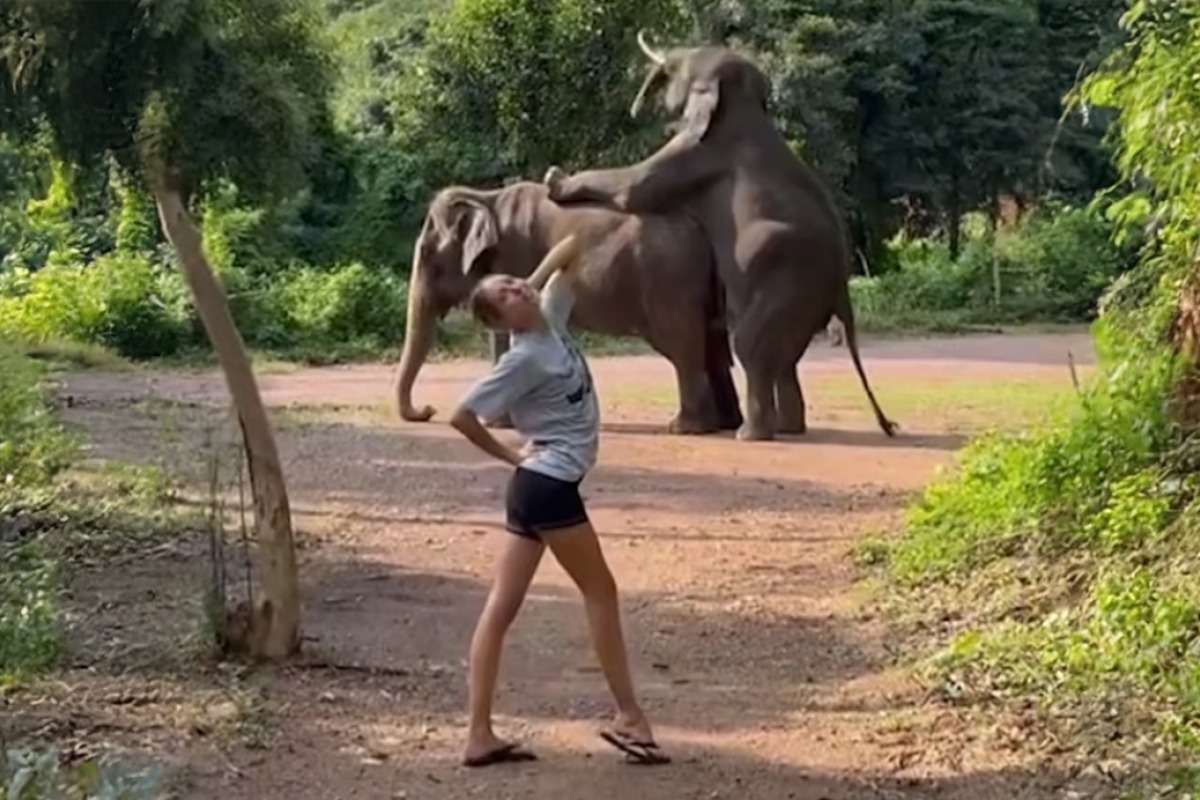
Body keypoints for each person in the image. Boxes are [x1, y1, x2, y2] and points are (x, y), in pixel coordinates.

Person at [448, 234, 670, 768]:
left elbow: (574, 247)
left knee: (501, 607)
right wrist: (511, 458)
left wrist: (532, 276)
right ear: (501, 322)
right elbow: (461, 415)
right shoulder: (522, 359)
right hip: (545, 484)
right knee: (601, 591)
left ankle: (479, 735)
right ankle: (630, 718)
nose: (513, 290)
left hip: (537, 488)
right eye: (503, 296)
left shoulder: (552, 314)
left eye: (510, 284)